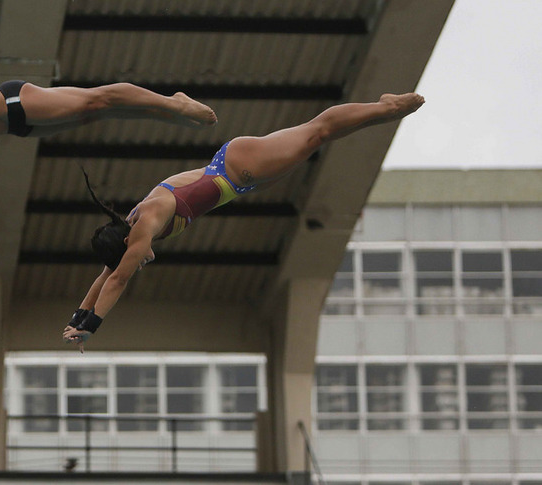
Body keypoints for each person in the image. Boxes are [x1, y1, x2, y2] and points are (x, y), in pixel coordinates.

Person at [63, 92, 425, 352]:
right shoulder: (132, 231)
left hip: (238, 167)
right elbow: (106, 277)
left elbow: (118, 279)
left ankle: (387, 106)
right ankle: (381, 110)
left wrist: (92, 327)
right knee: (314, 140)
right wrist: (76, 320)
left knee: (318, 132)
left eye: (134, 258)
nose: (139, 263)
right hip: (238, 181)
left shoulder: (145, 224)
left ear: (129, 244)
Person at [0, 80, 219, 250]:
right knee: (95, 114)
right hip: (17, 126)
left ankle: (173, 103)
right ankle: (165, 112)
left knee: (96, 101)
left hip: (11, 102)